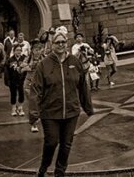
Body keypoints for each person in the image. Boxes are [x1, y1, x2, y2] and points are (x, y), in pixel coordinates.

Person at [29, 28, 94, 176]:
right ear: (52, 45)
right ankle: (43, 168)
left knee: (66, 144)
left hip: (71, 111)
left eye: (63, 42)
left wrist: (88, 107)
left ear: (67, 43)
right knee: (51, 142)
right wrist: (34, 114)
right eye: (57, 42)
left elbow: (83, 85)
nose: (61, 45)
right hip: (50, 112)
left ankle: (60, 171)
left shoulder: (74, 62)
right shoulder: (44, 64)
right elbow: (36, 90)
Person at [5, 36, 30, 116]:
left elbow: (27, 68)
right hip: (13, 80)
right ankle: (13, 108)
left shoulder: (24, 59)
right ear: (14, 51)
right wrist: (7, 80)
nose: (18, 52)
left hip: (22, 80)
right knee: (13, 94)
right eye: (17, 50)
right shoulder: (10, 60)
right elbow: (7, 71)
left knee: (21, 94)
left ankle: (20, 107)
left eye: (20, 50)